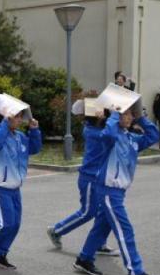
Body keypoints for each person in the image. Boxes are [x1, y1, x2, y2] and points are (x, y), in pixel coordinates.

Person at [73, 106, 160, 275]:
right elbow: (109, 135)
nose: (129, 117)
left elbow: (153, 136)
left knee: (102, 227)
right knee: (124, 230)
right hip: (108, 190)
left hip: (119, 192)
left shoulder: (131, 138)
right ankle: (135, 273)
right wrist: (113, 115)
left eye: (130, 114)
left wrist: (142, 118)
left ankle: (84, 258)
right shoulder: (108, 137)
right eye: (125, 114)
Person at [47, 103, 119, 257]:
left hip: (100, 178)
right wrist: (112, 115)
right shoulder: (93, 132)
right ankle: (56, 230)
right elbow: (111, 135)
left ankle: (100, 243)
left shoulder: (100, 129)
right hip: (89, 178)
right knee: (88, 212)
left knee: (104, 212)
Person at [0, 109, 42, 269]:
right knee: (5, 223)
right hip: (0, 187)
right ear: (8, 118)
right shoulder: (0, 135)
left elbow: (34, 148)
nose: (19, 120)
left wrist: (34, 130)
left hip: (15, 188)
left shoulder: (20, 137)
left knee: (15, 224)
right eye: (16, 117)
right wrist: (4, 123)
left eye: (20, 117)